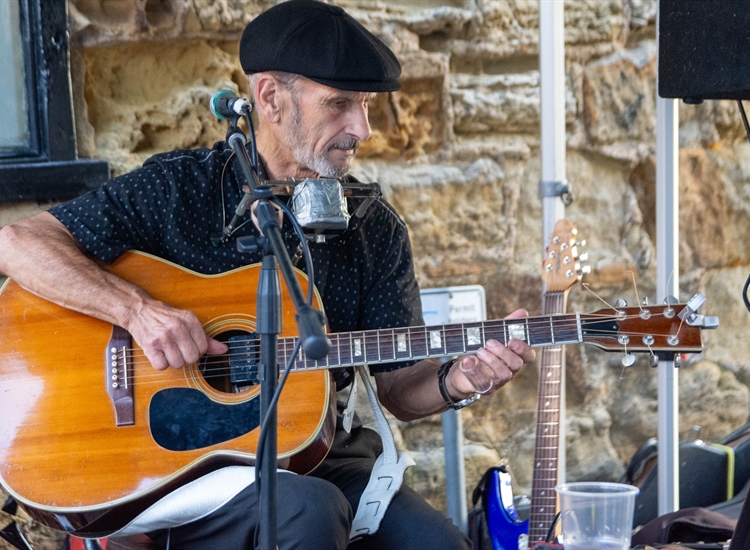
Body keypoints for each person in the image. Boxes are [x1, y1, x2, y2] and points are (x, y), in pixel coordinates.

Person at [0, 1, 535, 548]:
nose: (364, 129)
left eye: (367, 105)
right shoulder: (176, 191)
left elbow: (398, 386)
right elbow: (17, 243)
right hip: (180, 471)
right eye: (340, 104)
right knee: (306, 511)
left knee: (438, 545)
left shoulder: (373, 226)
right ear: (271, 100)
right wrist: (136, 312)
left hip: (323, 456)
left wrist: (459, 380)